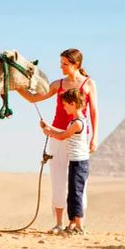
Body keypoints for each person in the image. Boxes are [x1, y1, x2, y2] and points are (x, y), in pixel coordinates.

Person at [17, 48, 99, 233]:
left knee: (78, 183)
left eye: (65, 64)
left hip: (78, 135)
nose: (61, 67)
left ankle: (79, 223)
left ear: (76, 64)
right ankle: (59, 223)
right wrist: (16, 87)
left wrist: (94, 137)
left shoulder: (88, 84)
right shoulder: (57, 84)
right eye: (60, 63)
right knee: (58, 179)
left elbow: (94, 111)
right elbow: (33, 98)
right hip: (57, 133)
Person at [39, 88, 92, 234]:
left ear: (73, 104)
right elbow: (62, 133)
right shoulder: (76, 121)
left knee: (76, 194)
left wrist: (49, 132)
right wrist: (49, 128)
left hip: (79, 163)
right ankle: (75, 224)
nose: (63, 107)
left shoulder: (77, 123)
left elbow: (63, 136)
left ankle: (76, 225)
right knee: (73, 193)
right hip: (76, 162)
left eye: (65, 104)